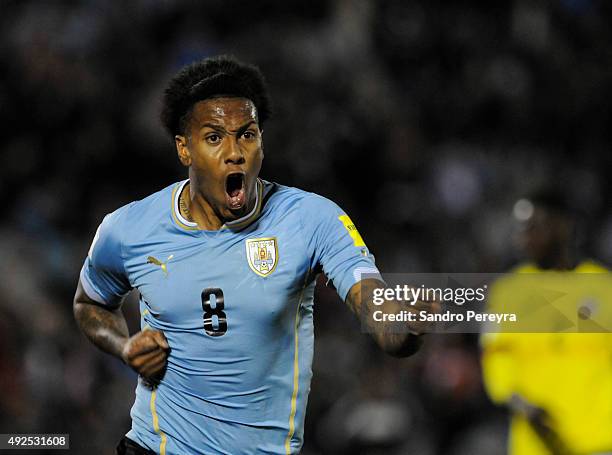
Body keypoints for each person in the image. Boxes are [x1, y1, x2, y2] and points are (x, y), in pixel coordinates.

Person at [73, 56, 436, 455]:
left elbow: (372, 303)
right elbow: (90, 303)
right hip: (155, 448)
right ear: (184, 149)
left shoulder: (310, 218)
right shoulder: (129, 229)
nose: (235, 153)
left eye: (246, 135)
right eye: (214, 138)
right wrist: (124, 347)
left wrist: (402, 325)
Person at [480, 188, 612, 455]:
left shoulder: (603, 286)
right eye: (520, 229)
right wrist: (521, 405)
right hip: (535, 446)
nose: (523, 237)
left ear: (563, 225)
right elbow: (496, 361)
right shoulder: (506, 293)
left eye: (534, 226)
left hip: (599, 440)